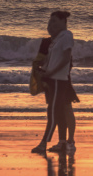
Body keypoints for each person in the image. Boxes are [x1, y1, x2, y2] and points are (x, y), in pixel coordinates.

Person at [32, 10, 79, 155]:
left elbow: (66, 58)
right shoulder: (56, 39)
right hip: (52, 79)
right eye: (50, 22)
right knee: (56, 112)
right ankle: (62, 142)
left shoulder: (66, 36)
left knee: (53, 112)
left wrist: (51, 72)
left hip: (59, 79)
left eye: (54, 21)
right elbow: (52, 59)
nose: (51, 25)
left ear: (63, 22)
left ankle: (43, 144)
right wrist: (43, 69)